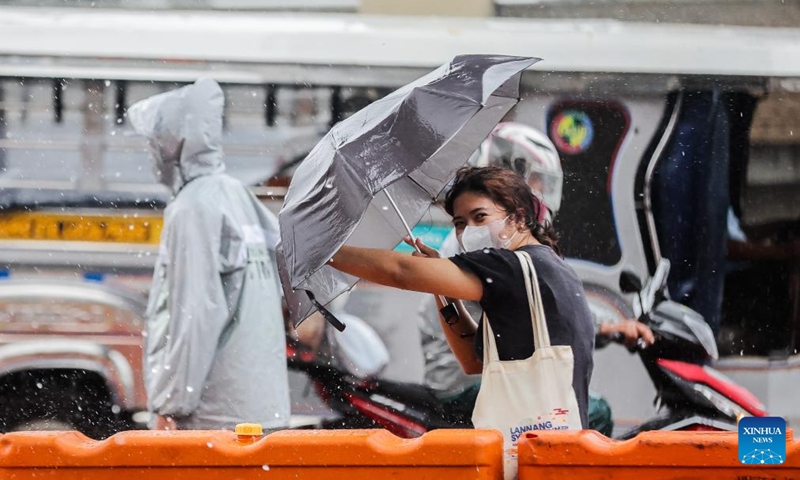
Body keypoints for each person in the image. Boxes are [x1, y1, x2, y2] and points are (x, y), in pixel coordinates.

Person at [417, 123, 653, 434]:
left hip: (479, 372)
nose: (540, 190)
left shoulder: (499, 240)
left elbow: (546, 297)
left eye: (544, 182)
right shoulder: (482, 244)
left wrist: (606, 327)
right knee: (594, 413)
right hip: (465, 383)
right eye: (535, 180)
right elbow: (543, 305)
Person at [328, 165, 596, 428]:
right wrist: (441, 286)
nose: (469, 231)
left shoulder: (510, 266)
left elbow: (402, 272)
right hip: (555, 443)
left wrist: (328, 254)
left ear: (518, 217)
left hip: (537, 450)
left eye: (480, 217)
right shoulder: (546, 265)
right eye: (460, 223)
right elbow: (472, 361)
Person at [127, 78, 290, 431]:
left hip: (214, 413)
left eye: (154, 142)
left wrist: (171, 403)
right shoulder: (238, 195)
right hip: (261, 406)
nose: (151, 153)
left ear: (171, 144)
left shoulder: (192, 209)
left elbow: (195, 313)